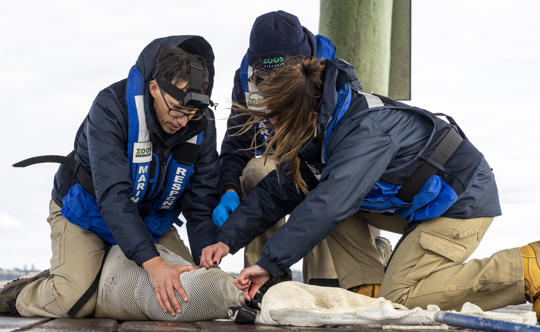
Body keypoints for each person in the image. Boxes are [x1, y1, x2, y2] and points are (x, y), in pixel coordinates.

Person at [201, 56, 539, 319]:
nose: (269, 128)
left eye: (274, 120)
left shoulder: (364, 131)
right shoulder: (322, 128)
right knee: (317, 191)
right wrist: (225, 240)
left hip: (460, 200)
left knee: (403, 298)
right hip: (417, 203)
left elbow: (330, 204)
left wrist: (268, 263)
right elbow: (281, 190)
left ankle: (528, 267)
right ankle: (368, 290)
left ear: (302, 112)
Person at [0, 35, 221, 318]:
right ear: (154, 88)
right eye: (176, 110)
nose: (182, 122)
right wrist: (153, 264)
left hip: (150, 219)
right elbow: (113, 197)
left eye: (190, 114)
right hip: (86, 212)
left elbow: (200, 204)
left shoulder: (201, 123)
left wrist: (205, 261)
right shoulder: (110, 107)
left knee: (188, 294)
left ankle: (88, 270)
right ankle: (19, 293)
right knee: (74, 302)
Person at [213, 10, 391, 289]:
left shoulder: (333, 77)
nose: (274, 84)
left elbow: (347, 160)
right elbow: (236, 145)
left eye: (282, 74)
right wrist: (228, 190)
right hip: (281, 167)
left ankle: (325, 281)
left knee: (319, 184)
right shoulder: (245, 82)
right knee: (255, 172)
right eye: (265, 75)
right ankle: (263, 280)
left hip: (321, 166)